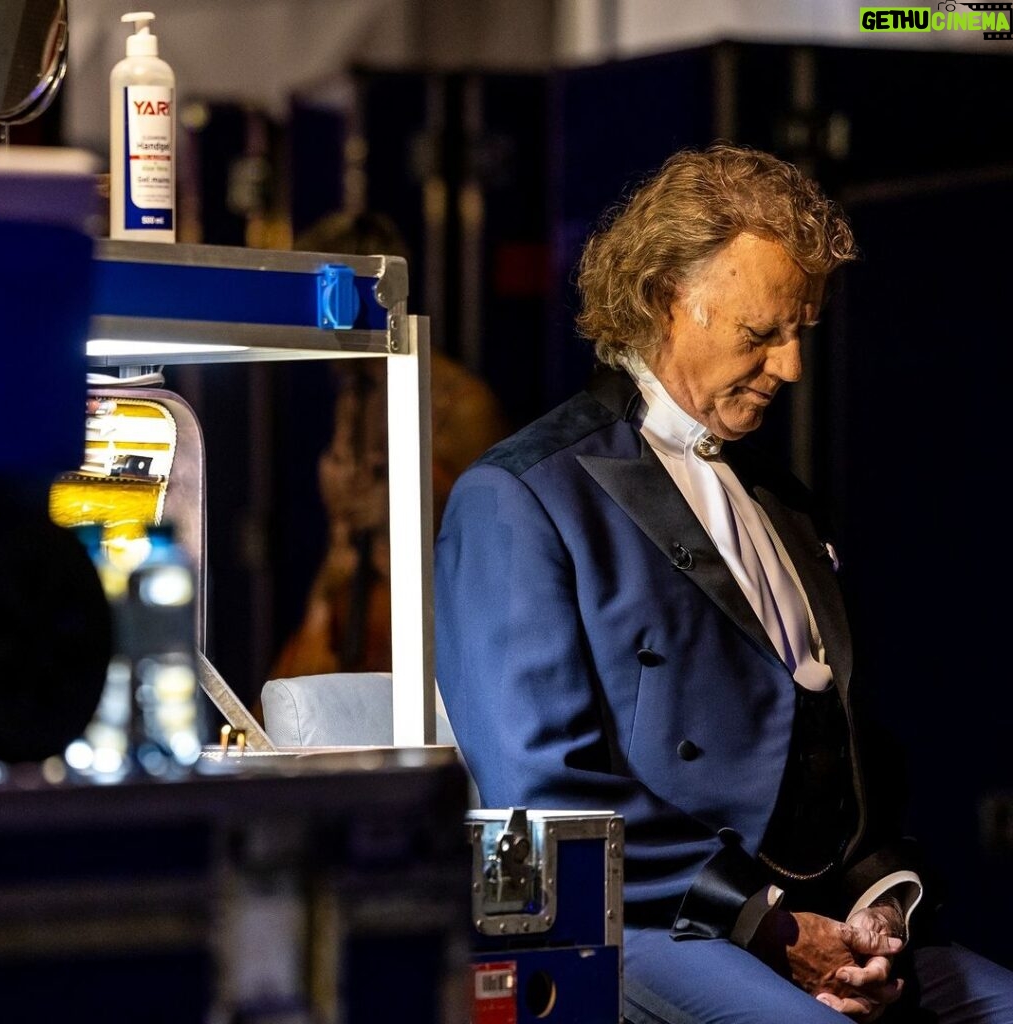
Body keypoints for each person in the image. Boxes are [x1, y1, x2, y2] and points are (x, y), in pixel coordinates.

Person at [433, 143, 1013, 1023]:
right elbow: (541, 793)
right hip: (652, 923)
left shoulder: (781, 500)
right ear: (667, 298)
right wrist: (771, 928)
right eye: (761, 335)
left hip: (819, 922)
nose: (791, 368)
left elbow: (851, 756)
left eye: (799, 333)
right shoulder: (520, 496)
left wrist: (878, 913)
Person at [271, 210, 510, 678]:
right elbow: (343, 535)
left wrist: (404, 503)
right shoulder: (355, 391)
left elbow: (490, 544)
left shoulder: (459, 403)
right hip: (352, 621)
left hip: (427, 635)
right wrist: (317, 621)